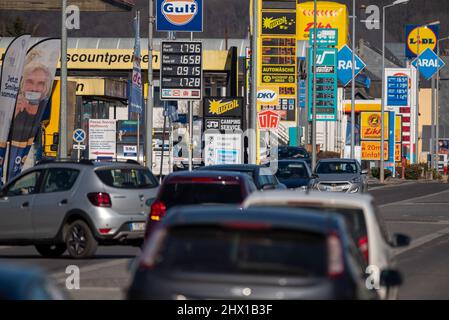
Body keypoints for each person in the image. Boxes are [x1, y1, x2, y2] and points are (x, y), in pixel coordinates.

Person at [10, 62, 52, 143]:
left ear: (46, 88)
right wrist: (12, 115)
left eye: (40, 84)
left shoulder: (46, 109)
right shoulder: (11, 106)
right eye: (30, 82)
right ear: (22, 84)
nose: (34, 89)